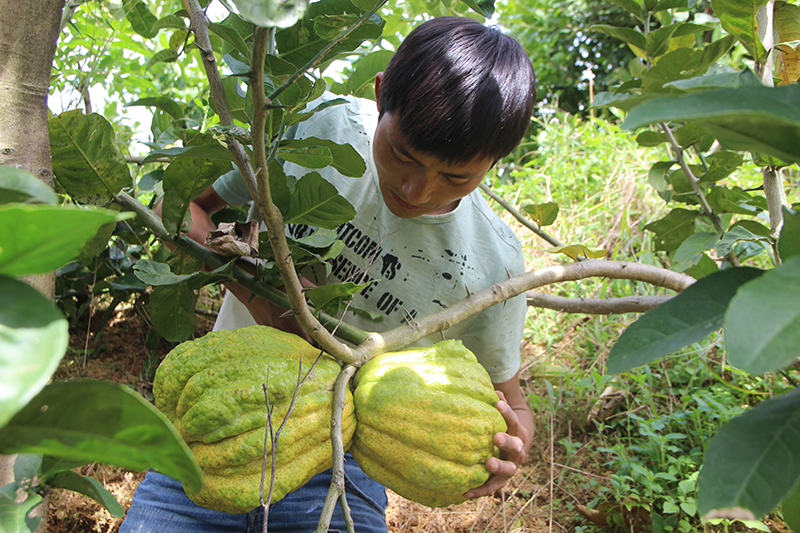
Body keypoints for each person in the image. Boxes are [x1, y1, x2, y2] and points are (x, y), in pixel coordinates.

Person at [121, 15, 537, 533]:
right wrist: (263, 296)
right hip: (219, 421)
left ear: (496, 160)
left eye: (456, 177)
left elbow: (514, 403)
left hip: (345, 467)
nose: (416, 189)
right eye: (402, 155)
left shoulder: (493, 262)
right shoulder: (318, 130)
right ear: (383, 93)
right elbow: (180, 208)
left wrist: (511, 446)